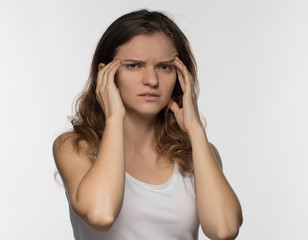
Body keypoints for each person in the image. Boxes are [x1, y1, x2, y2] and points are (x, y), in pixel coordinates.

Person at [53, 9, 242, 240]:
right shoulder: (77, 147)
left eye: (164, 67)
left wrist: (195, 131)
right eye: (134, 65)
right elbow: (100, 213)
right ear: (106, 74)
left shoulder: (198, 153)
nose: (151, 81)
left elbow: (224, 230)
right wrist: (114, 118)